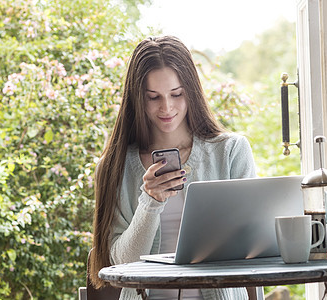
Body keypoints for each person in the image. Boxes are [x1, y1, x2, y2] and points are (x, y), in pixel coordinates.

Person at [89, 35, 261, 300]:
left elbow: (252, 249)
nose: (166, 107)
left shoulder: (230, 152)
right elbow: (121, 264)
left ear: (191, 91)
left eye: (177, 94)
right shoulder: (114, 167)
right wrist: (149, 202)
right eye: (153, 97)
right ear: (137, 99)